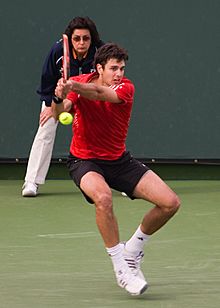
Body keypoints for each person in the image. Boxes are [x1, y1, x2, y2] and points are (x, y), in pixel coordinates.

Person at [52, 43, 181, 296]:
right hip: (84, 161)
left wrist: (73, 86)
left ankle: (132, 251)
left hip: (119, 161)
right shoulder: (79, 82)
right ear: (99, 68)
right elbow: (60, 114)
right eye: (113, 68)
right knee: (103, 197)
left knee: (170, 202)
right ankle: (121, 267)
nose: (119, 73)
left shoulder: (125, 88)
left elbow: (100, 94)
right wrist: (58, 98)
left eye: (122, 68)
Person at [22, 16, 104, 197]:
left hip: (89, 95)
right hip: (60, 96)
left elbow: (106, 82)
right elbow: (47, 81)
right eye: (77, 38)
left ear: (92, 39)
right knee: (45, 128)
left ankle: (123, 180)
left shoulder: (101, 52)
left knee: (107, 132)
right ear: (70, 39)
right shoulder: (58, 51)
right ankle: (32, 181)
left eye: (86, 38)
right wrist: (52, 106)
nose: (81, 43)